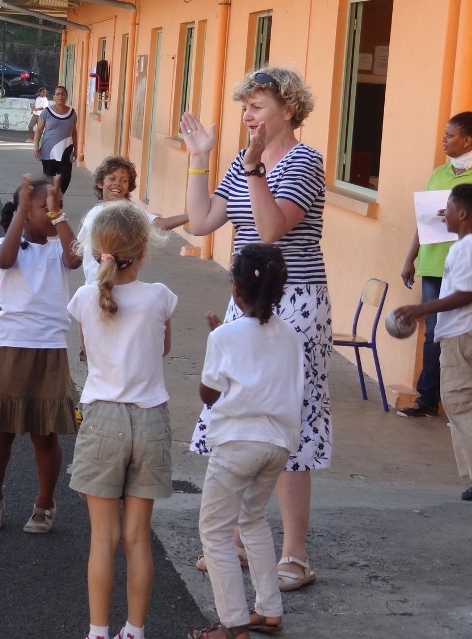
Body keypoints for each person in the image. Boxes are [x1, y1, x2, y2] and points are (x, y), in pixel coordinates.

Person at [181, 66, 329, 591]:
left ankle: (294, 552)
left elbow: (269, 229)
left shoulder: (303, 161)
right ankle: (242, 539)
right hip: (246, 297)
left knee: (288, 416)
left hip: (296, 301)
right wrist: (201, 159)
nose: (248, 115)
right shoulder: (244, 162)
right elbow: (200, 222)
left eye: (258, 105)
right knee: (241, 409)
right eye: (245, 106)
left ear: (288, 110)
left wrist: (254, 171)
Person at [68, 202, 176, 639]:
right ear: (144, 250)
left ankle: (97, 630)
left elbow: (89, 349)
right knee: (137, 537)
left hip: (101, 421)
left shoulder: (84, 298)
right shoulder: (160, 296)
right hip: (150, 420)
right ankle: (134, 629)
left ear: (96, 252)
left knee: (102, 538)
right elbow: (163, 349)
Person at [189, 244, 304, 639]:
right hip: (278, 444)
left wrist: (215, 342)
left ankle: (233, 624)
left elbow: (210, 395)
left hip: (237, 443)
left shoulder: (225, 336)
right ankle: (269, 610)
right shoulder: (290, 335)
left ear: (236, 291)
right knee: (252, 519)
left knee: (215, 531)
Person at [0, 174, 82, 533]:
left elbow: (76, 258)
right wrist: (22, 210)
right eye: (45, 206)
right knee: (0, 430)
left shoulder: (58, 247)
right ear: (24, 209)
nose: (54, 211)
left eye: (59, 206)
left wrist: (58, 217)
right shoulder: (5, 245)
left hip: (49, 348)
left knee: (45, 433)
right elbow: (4, 261)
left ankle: (45, 502)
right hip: (11, 347)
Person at [396, 183, 472, 501]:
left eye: (449, 210)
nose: (445, 215)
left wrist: (422, 308)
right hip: (460, 334)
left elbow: (466, 293)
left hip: (461, 336)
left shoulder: (465, 248)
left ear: (463, 213)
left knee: (459, 402)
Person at [398, 112, 472, 418]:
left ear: (467, 140)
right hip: (432, 262)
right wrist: (410, 258)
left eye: (450, 135)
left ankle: (460, 403)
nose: (444, 140)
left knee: (463, 333)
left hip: (464, 266)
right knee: (433, 333)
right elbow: (422, 218)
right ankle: (428, 399)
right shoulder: (438, 173)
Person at [79, 156, 190, 286]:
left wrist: (193, 214)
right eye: (112, 178)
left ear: (129, 187)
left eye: (124, 180)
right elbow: (79, 249)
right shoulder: (93, 216)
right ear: (100, 183)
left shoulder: (132, 212)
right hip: (95, 284)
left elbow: (160, 224)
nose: (117, 183)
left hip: (121, 285)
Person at [33, 86, 77, 193]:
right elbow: (39, 130)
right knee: (49, 181)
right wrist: (36, 147)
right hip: (49, 151)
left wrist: (77, 149)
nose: (60, 96)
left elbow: (74, 132)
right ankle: (49, 203)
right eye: (58, 94)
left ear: (66, 96)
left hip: (66, 151)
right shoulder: (47, 112)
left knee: (65, 179)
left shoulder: (72, 113)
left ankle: (58, 199)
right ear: (54, 96)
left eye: (63, 94)